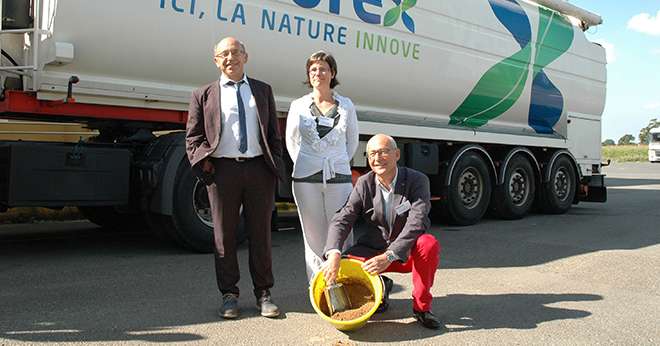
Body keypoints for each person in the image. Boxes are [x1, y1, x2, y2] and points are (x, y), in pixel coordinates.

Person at [185, 37, 283, 319]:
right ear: (216, 60)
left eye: (236, 52)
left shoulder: (263, 91)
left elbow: (273, 135)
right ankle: (229, 295)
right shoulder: (203, 94)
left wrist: (273, 164)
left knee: (260, 234)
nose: (230, 58)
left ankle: (264, 293)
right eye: (224, 54)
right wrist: (203, 164)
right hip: (222, 171)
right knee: (224, 237)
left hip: (258, 170)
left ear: (246, 56)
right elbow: (193, 137)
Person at [323, 134, 442, 329]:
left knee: (428, 244)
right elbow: (344, 217)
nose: (377, 158)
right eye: (372, 154)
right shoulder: (364, 183)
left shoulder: (417, 180)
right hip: (372, 250)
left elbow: (417, 222)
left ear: (397, 154)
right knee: (342, 265)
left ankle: (422, 308)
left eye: (383, 152)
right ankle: (381, 285)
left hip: (405, 253)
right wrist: (333, 252)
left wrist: (389, 255)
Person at [285, 51, 359, 282]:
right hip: (306, 179)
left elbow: (352, 142)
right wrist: (311, 161)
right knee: (313, 235)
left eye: (323, 68)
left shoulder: (346, 105)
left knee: (341, 231)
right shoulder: (298, 105)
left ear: (332, 73)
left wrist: (334, 161)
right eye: (313, 69)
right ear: (309, 74)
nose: (318, 73)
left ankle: (344, 282)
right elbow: (291, 141)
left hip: (338, 177)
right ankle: (319, 287)